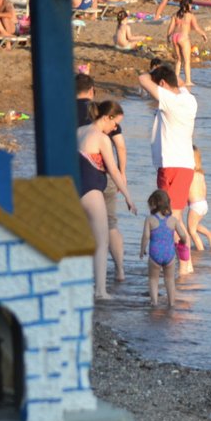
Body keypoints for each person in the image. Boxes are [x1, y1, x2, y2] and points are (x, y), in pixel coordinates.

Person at [138, 63, 199, 273]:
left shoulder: (170, 100)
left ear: (163, 84)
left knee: (170, 219)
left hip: (172, 165)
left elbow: (141, 79)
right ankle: (185, 264)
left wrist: (156, 74)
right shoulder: (188, 98)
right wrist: (166, 73)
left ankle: (184, 265)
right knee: (172, 218)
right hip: (180, 165)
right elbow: (179, 83)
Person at [77, 101, 136, 299]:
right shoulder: (101, 138)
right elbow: (114, 170)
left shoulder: (79, 131)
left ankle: (81, 283)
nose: (115, 128)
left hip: (74, 189)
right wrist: (128, 196)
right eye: (115, 123)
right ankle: (100, 291)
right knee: (101, 242)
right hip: (92, 191)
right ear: (108, 117)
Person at [139, 188, 188, 309]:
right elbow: (183, 235)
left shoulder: (150, 219)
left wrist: (142, 249)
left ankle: (154, 303)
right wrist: (183, 242)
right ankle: (171, 303)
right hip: (169, 254)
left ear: (154, 204)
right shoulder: (173, 220)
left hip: (155, 254)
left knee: (153, 279)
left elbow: (146, 236)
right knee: (170, 280)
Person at [166, 0, 206, 87]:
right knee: (187, 61)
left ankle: (176, 79)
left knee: (178, 60)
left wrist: (168, 37)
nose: (191, 7)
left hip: (175, 37)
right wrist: (203, 34)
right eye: (191, 5)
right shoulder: (190, 15)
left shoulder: (175, 15)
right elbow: (196, 27)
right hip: (183, 37)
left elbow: (171, 28)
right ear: (187, 5)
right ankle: (188, 81)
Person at [185, 146, 211, 252]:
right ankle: (210, 235)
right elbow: (204, 188)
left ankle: (200, 251)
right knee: (194, 225)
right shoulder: (200, 174)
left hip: (195, 205)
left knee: (191, 230)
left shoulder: (189, 174)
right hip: (203, 204)